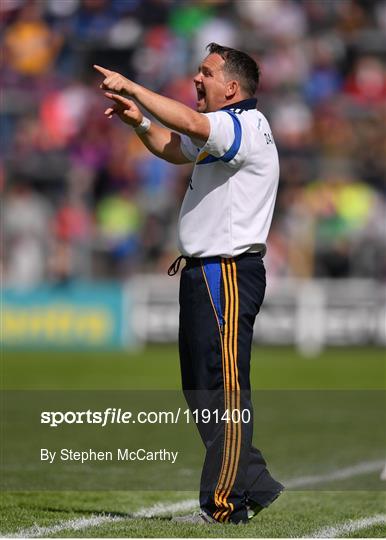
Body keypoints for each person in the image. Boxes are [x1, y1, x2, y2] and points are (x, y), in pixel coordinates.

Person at [94, 42, 283, 525]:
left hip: (227, 271)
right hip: (204, 272)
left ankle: (224, 506)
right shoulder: (223, 131)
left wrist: (131, 83)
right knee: (201, 389)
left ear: (232, 88)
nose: (197, 79)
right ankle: (254, 483)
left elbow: (191, 126)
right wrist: (138, 119)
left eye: (206, 73)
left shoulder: (241, 125)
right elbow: (172, 148)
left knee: (223, 388)